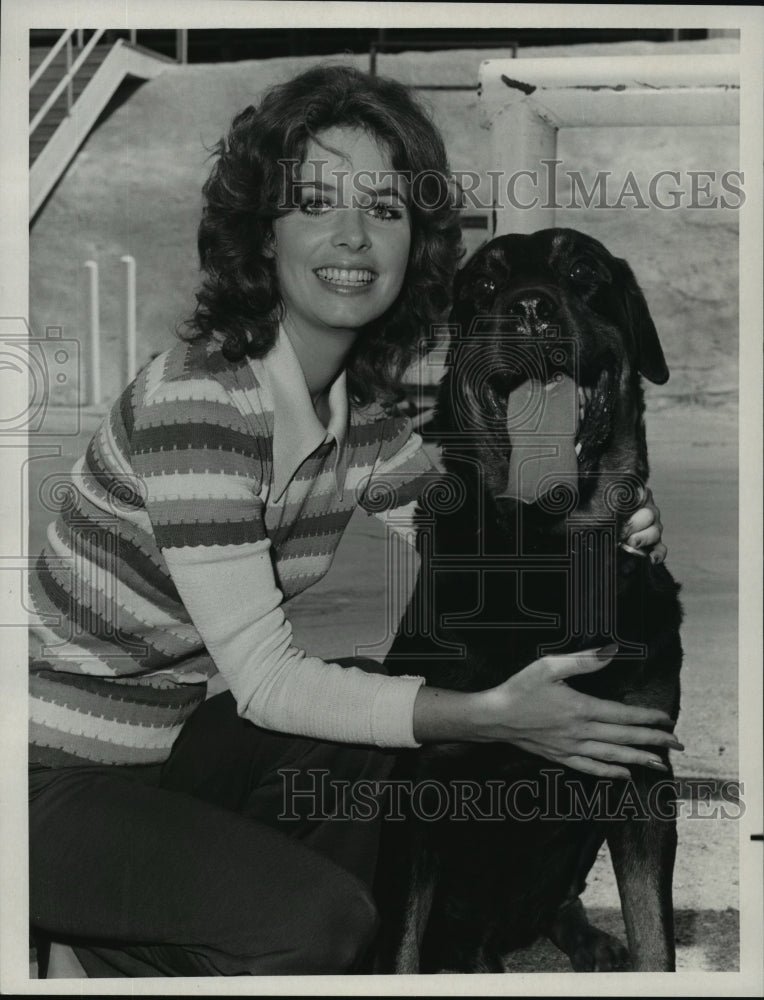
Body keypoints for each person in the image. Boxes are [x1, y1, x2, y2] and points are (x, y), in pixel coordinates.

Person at [28, 64, 679, 978]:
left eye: (384, 208)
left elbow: (487, 532)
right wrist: (496, 717)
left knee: (373, 712)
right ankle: (92, 948)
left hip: (176, 761)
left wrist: (615, 520)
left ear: (416, 242)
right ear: (263, 233)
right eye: (314, 202)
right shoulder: (200, 403)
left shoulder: (357, 423)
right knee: (320, 918)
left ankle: (148, 925)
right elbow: (262, 683)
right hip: (47, 780)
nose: (351, 236)